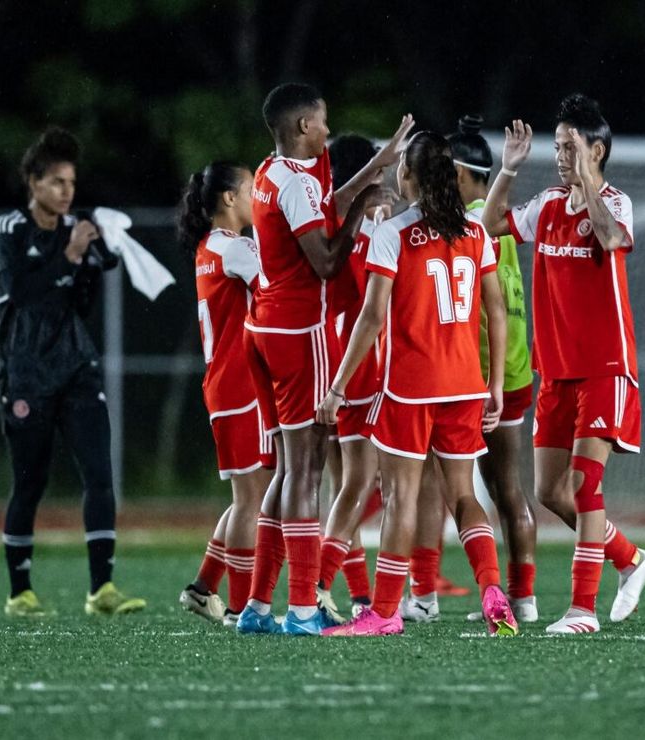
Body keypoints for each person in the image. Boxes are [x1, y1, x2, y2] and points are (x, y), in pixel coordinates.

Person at [317, 130, 516, 637]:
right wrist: (494, 384)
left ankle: (383, 612)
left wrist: (337, 388)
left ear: (407, 174)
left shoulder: (395, 233)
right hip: (466, 383)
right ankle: (494, 592)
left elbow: (371, 318)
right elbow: (496, 309)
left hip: (411, 387)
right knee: (464, 494)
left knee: (402, 496)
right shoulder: (474, 231)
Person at [236, 82, 411, 636]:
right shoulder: (294, 184)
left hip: (262, 326)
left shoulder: (270, 171)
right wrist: (365, 204)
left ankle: (257, 606)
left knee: (289, 469)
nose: (329, 131)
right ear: (302, 127)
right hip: (296, 330)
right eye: (323, 122)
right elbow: (329, 262)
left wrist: (369, 172)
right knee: (307, 470)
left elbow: (320, 209)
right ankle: (304, 607)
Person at [482, 94, 645, 635]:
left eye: (569, 146)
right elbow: (487, 224)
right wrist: (508, 169)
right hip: (555, 371)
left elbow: (610, 238)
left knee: (583, 486)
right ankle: (630, 558)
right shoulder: (548, 207)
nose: (559, 155)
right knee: (550, 492)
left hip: (605, 366)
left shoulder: (617, 204)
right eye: (556, 146)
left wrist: (589, 183)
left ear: (597, 149)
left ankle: (582, 611)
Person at [0, 127, 145, 617]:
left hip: (77, 369)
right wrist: (71, 256)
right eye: (57, 182)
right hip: (27, 375)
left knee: (100, 475)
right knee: (30, 482)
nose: (66, 192)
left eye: (71, 183)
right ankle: (21, 592)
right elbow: (24, 294)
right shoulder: (10, 229)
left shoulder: (75, 229)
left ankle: (102, 589)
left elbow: (80, 301)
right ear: (34, 183)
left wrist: (102, 256)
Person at [402, 115, 540, 625]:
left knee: (425, 489)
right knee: (506, 489)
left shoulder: (466, 223)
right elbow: (502, 304)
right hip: (510, 372)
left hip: (460, 372)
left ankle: (419, 595)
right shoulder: (492, 224)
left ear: (456, 174)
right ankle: (520, 599)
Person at [176, 161, 277, 625]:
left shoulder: (209, 246)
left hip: (225, 383)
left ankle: (203, 588)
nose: (259, 197)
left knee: (247, 497)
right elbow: (275, 297)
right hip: (242, 385)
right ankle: (241, 608)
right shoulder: (236, 249)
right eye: (252, 189)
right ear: (230, 199)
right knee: (251, 500)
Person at [314, 133, 395, 619]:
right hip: (362, 365)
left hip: (335, 358)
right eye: (378, 169)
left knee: (349, 484)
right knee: (368, 484)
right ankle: (321, 586)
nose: (384, 178)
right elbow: (373, 309)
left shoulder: (330, 221)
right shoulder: (366, 228)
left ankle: (359, 596)